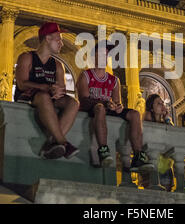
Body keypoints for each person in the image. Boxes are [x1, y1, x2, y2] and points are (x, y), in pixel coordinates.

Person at [76, 44, 154, 172]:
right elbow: (83, 98)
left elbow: (117, 101)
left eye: (106, 55)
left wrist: (118, 107)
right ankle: (103, 149)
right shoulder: (85, 75)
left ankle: (138, 155)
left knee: (134, 114)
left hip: (107, 108)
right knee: (100, 107)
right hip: (93, 108)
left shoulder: (114, 80)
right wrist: (105, 103)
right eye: (101, 54)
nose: (104, 57)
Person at [14, 22, 80, 160]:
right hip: (27, 97)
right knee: (43, 96)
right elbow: (21, 84)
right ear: (48, 38)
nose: (61, 43)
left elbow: (61, 88)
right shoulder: (27, 57)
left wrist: (57, 91)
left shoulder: (58, 65)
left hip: (49, 98)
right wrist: (45, 87)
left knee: (73, 103)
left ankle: (51, 143)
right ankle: (63, 143)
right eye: (58, 39)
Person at [143, 94, 174, 191]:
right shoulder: (147, 119)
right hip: (151, 166)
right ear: (151, 108)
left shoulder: (166, 121)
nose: (162, 105)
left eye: (162, 103)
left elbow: (174, 136)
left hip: (166, 167)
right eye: (158, 103)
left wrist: (167, 118)